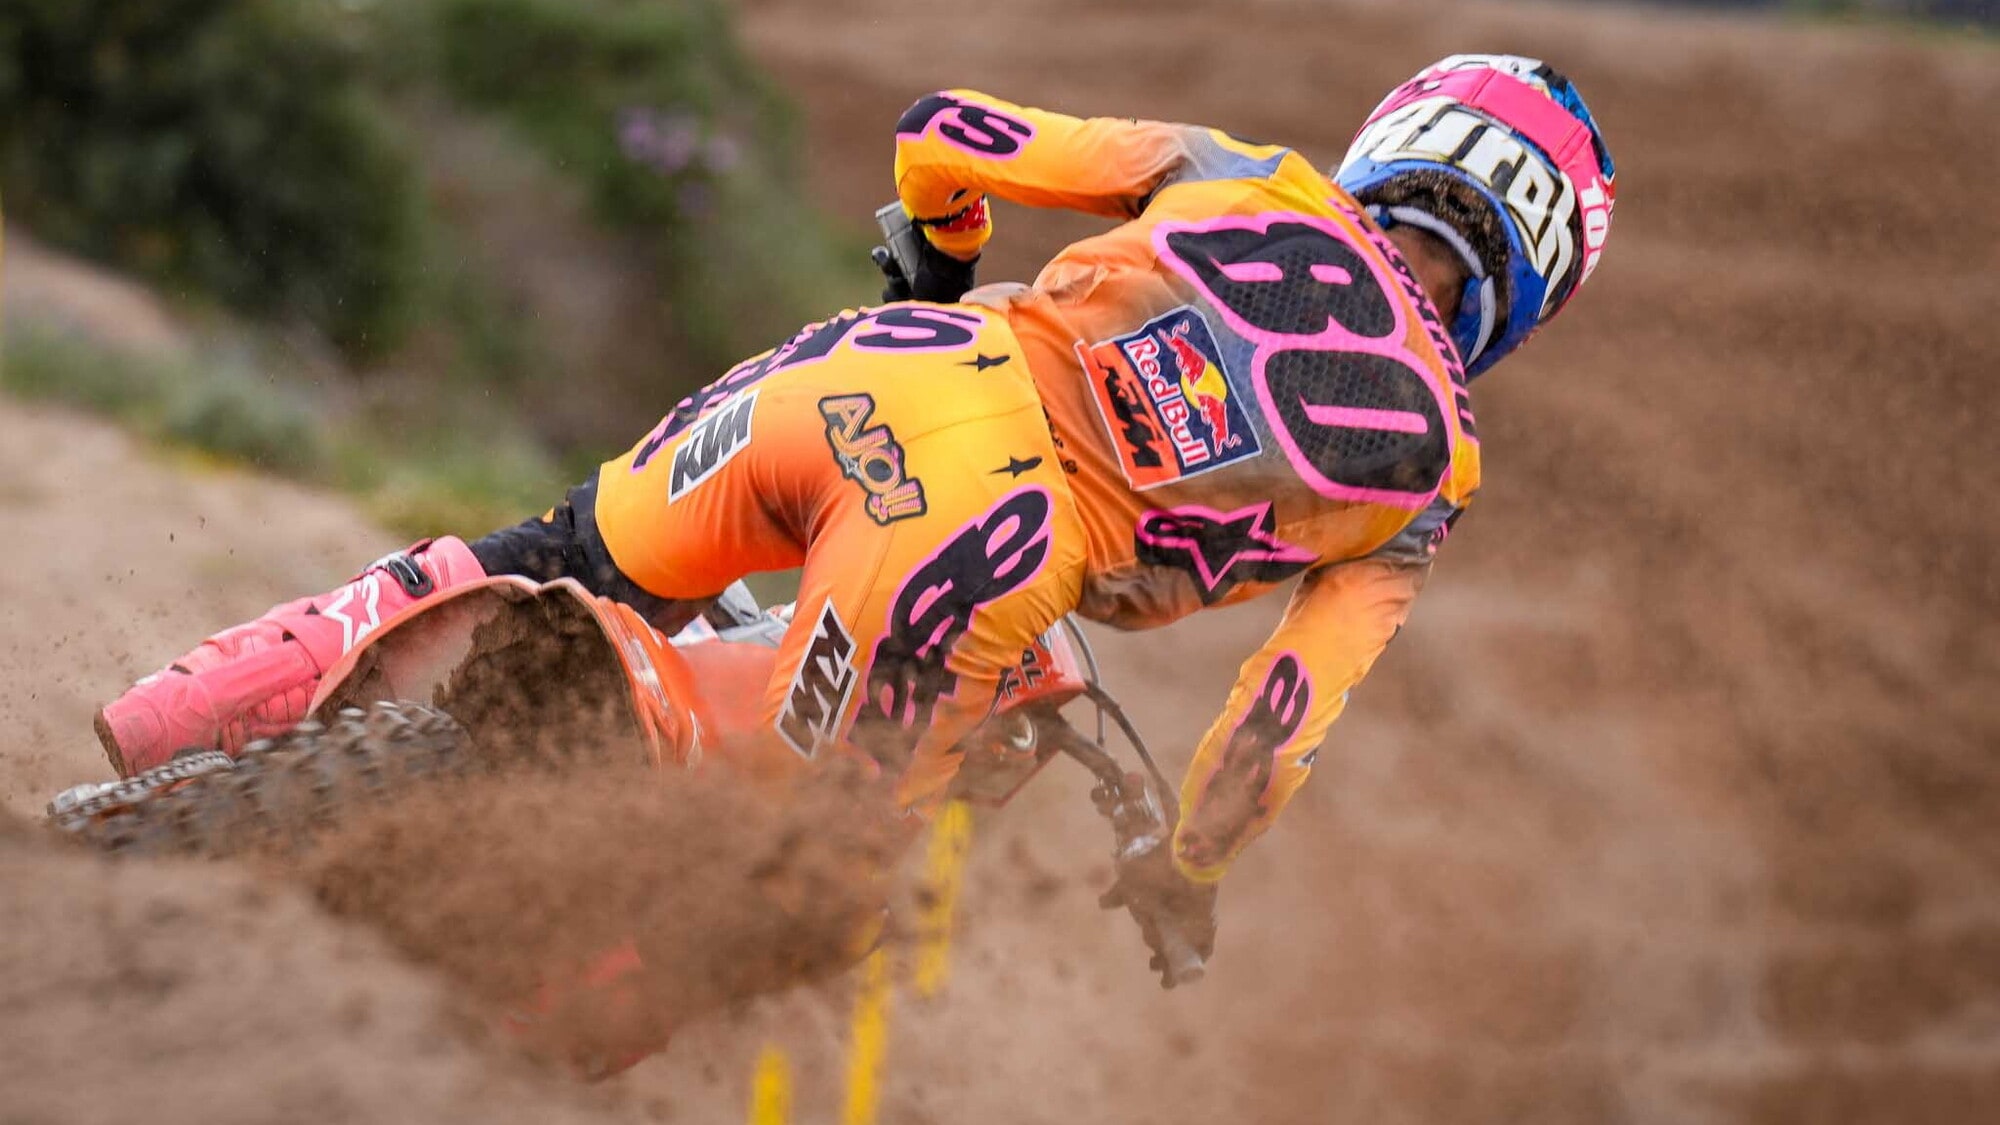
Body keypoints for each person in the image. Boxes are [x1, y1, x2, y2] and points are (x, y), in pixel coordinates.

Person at [96, 54, 1615, 977]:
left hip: (881, 370)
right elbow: (1271, 734)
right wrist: (1188, 872)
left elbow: (942, 128)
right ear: (1533, 286)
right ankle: (451, 1013)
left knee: (556, 553)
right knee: (793, 905)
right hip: (978, 557)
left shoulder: (1233, 172)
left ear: (1393, 142)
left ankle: (175, 718)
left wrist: (943, 268)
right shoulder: (1431, 480)